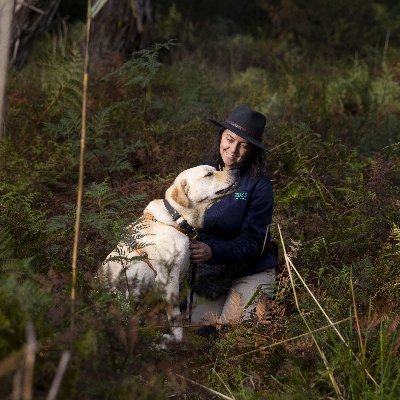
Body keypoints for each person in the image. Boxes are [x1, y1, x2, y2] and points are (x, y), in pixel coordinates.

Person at [188, 104, 277, 326]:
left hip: (249, 270)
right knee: (198, 331)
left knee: (231, 331)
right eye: (229, 139)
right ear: (221, 136)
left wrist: (212, 251)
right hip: (213, 272)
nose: (233, 149)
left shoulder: (258, 185)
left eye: (243, 145)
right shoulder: (203, 173)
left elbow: (253, 242)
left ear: (252, 150)